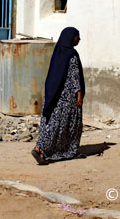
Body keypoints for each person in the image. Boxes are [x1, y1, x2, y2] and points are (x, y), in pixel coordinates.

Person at [31, 27, 85, 165]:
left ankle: (41, 148)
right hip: (67, 98)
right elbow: (75, 76)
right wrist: (79, 94)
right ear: (71, 37)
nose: (79, 39)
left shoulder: (58, 52)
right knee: (72, 125)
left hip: (54, 96)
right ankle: (66, 150)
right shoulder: (71, 54)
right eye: (77, 36)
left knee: (51, 124)